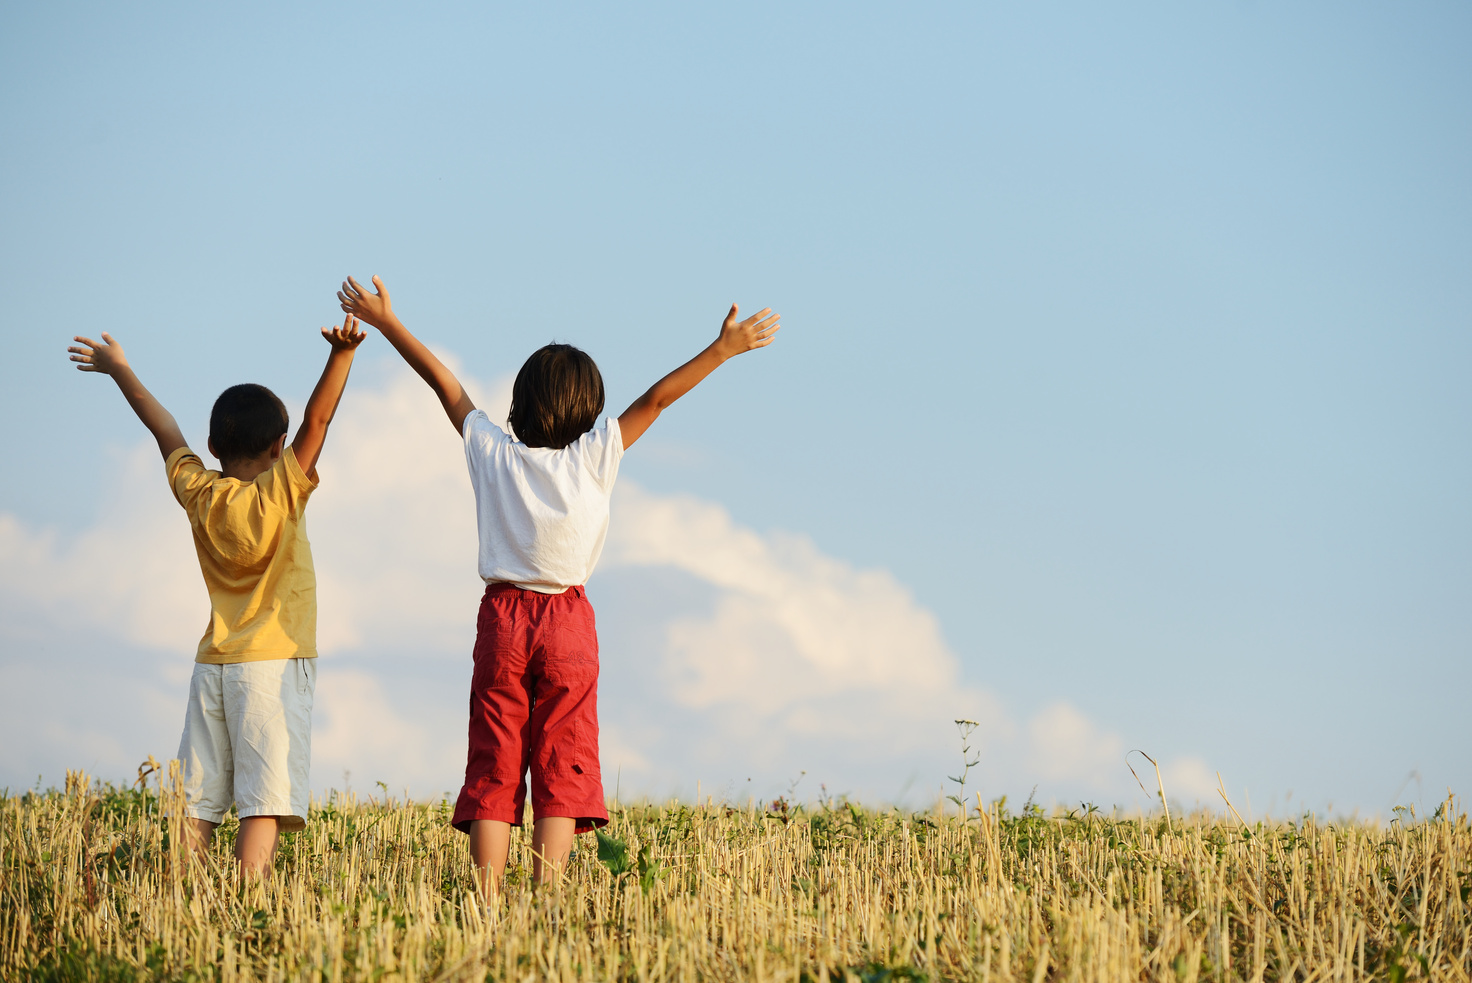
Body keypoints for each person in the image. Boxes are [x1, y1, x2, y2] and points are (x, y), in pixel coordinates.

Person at [336, 274, 779, 891]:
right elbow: (654, 401)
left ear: (517, 409)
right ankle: (548, 897)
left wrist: (388, 324)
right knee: (562, 756)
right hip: (568, 622)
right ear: (592, 412)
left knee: (496, 755)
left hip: (502, 620)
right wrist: (721, 350)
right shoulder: (596, 456)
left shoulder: (492, 452)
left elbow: (445, 385)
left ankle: (486, 898)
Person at [66, 317, 367, 873]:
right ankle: (250, 899)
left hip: (214, 665)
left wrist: (120, 371)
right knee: (263, 798)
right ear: (281, 448)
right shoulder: (282, 492)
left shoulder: (200, 491)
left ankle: (183, 890)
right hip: (272, 665)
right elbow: (319, 420)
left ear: (212, 446)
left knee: (198, 796)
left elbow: (165, 432)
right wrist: (343, 356)